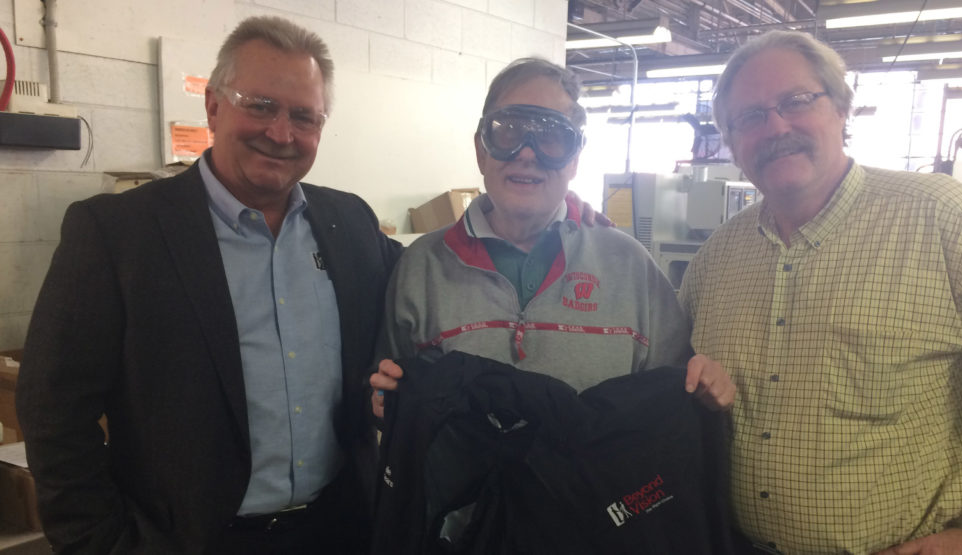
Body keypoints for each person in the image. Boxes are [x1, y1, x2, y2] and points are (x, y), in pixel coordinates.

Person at [16, 16, 403, 554]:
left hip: (339, 528)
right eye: (261, 105)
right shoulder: (117, 235)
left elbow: (419, 299)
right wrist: (98, 542)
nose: (281, 133)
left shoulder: (351, 224)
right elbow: (52, 412)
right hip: (187, 539)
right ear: (215, 106)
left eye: (304, 116)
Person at [677, 29, 962, 554]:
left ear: (842, 108)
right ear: (731, 142)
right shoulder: (715, 259)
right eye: (748, 117)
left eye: (795, 101)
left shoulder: (949, 222)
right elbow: (675, 384)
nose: (774, 126)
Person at [370, 57, 735, 411]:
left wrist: (704, 386)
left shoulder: (631, 267)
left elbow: (672, 397)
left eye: (551, 138)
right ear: (481, 150)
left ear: (574, 159)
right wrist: (384, 402)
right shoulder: (421, 267)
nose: (527, 154)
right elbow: (387, 391)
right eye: (508, 132)